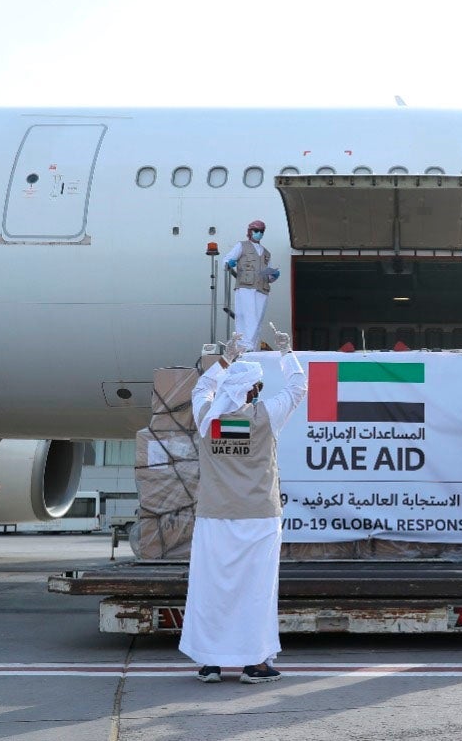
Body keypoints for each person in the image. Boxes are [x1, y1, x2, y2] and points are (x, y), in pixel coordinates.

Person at [180, 325, 306, 684]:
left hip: (214, 517)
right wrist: (287, 355)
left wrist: (227, 357)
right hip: (258, 519)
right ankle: (255, 664)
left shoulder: (208, 418)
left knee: (211, 588)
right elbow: (299, 388)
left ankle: (210, 663)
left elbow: (203, 387)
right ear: (253, 389)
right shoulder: (266, 416)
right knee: (255, 592)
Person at [224, 220, 279, 351]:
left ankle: (252, 347)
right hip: (246, 287)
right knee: (247, 316)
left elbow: (269, 275)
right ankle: (244, 345)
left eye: (261, 231)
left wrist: (274, 275)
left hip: (262, 289)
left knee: (258, 319)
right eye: (256, 231)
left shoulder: (266, 253)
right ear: (250, 232)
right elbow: (227, 260)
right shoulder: (241, 246)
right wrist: (229, 263)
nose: (258, 234)